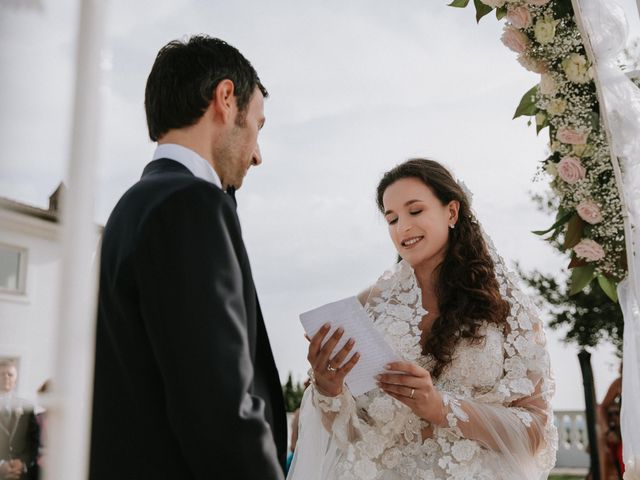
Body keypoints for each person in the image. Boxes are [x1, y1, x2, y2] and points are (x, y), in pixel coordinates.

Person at [89, 35, 286, 479]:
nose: (257, 154)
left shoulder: (131, 208)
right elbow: (218, 407)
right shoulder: (191, 204)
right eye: (257, 125)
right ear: (225, 99)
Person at [288, 159, 557, 479]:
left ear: (452, 212)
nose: (402, 228)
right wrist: (329, 389)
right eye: (392, 219)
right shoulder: (368, 309)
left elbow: (534, 431)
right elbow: (352, 438)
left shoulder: (507, 309)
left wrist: (439, 407)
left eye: (415, 211)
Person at [0, 360, 39, 480]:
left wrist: (23, 463)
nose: (6, 377)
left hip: (21, 474)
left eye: (10, 374)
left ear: (15, 380)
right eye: (2, 374)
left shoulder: (27, 406)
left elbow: (34, 440)